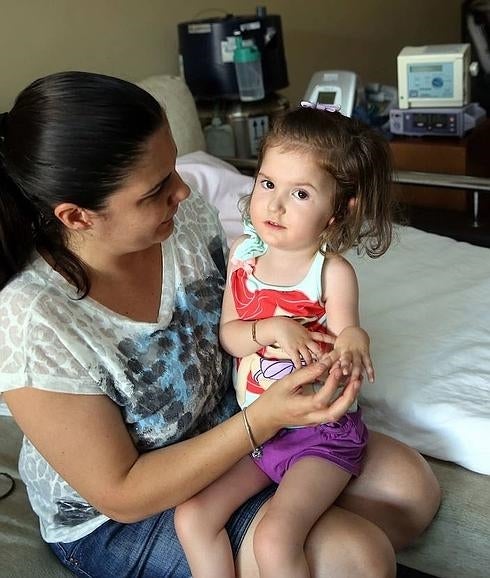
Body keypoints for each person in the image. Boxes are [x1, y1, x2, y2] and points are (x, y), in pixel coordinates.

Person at [0, 72, 440, 578]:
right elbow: (122, 493)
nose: (183, 189)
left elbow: (248, 312)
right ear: (77, 217)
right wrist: (265, 418)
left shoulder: (183, 221)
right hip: (126, 514)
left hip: (243, 429)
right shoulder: (33, 320)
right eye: (157, 187)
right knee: (354, 555)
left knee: (411, 488)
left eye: (174, 168)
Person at [175, 102, 393, 578]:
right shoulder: (243, 257)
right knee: (192, 517)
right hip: (259, 428)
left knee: (275, 538)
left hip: (319, 434)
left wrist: (355, 341)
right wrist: (269, 329)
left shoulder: (330, 272)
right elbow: (231, 337)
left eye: (300, 193)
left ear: (337, 212)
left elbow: (348, 328)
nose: (274, 204)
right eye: (268, 184)